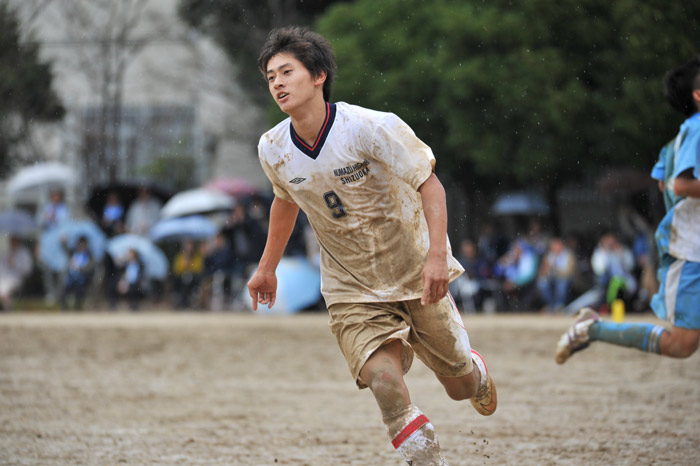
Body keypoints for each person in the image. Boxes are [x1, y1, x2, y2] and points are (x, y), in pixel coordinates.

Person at [247, 27, 496, 465]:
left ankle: (472, 369)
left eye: (287, 72)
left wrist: (437, 257)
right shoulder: (273, 148)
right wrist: (266, 268)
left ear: (319, 76)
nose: (278, 84)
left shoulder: (371, 127)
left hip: (415, 272)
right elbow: (285, 201)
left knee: (460, 387)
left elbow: (431, 186)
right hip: (351, 287)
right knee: (384, 382)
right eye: (271, 77)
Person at [556, 55, 700, 364]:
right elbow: (679, 185)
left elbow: (663, 179)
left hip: (685, 246)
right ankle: (594, 329)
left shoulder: (677, 141)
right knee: (681, 345)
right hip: (691, 253)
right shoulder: (695, 130)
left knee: (682, 345)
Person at [536, 237, 576, 313]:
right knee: (542, 283)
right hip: (552, 278)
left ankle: (559, 305)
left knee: (562, 283)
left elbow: (569, 272)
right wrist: (545, 270)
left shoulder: (568, 255)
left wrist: (556, 270)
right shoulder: (549, 255)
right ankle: (551, 305)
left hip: (565, 278)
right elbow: (543, 271)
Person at [59, 235, 94, 311]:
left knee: (79, 293)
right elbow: (65, 250)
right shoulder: (73, 252)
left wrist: (79, 268)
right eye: (79, 244)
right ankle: (65, 308)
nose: (81, 246)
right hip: (71, 277)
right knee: (64, 292)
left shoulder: (89, 255)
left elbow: (90, 266)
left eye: (83, 245)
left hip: (82, 278)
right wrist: (63, 242)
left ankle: (77, 308)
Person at [0, 236, 33, 311]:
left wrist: (15, 264)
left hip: (17, 278)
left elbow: (28, 270)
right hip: (4, 277)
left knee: (4, 287)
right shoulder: (7, 252)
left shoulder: (24, 253)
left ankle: (7, 307)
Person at [171, 239, 204, 309]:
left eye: (190, 246)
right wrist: (184, 266)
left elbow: (199, 268)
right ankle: (183, 301)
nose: (189, 248)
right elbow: (176, 269)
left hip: (194, 277)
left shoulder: (197, 256)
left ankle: (188, 301)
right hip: (181, 277)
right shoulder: (180, 256)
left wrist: (191, 266)